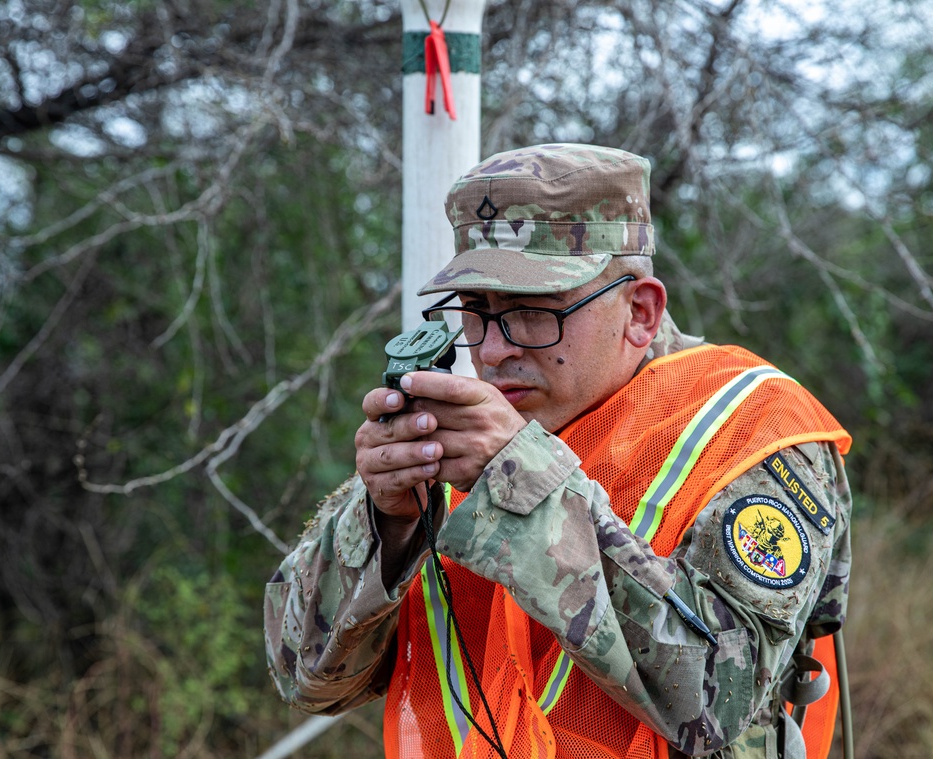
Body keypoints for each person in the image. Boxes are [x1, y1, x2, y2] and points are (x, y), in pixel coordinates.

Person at [264, 144, 853, 759]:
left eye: (532, 313)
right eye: (477, 312)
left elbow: (716, 699)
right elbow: (303, 677)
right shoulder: (463, 436)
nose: (492, 352)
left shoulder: (749, 431)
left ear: (641, 312)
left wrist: (521, 485)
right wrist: (388, 521)